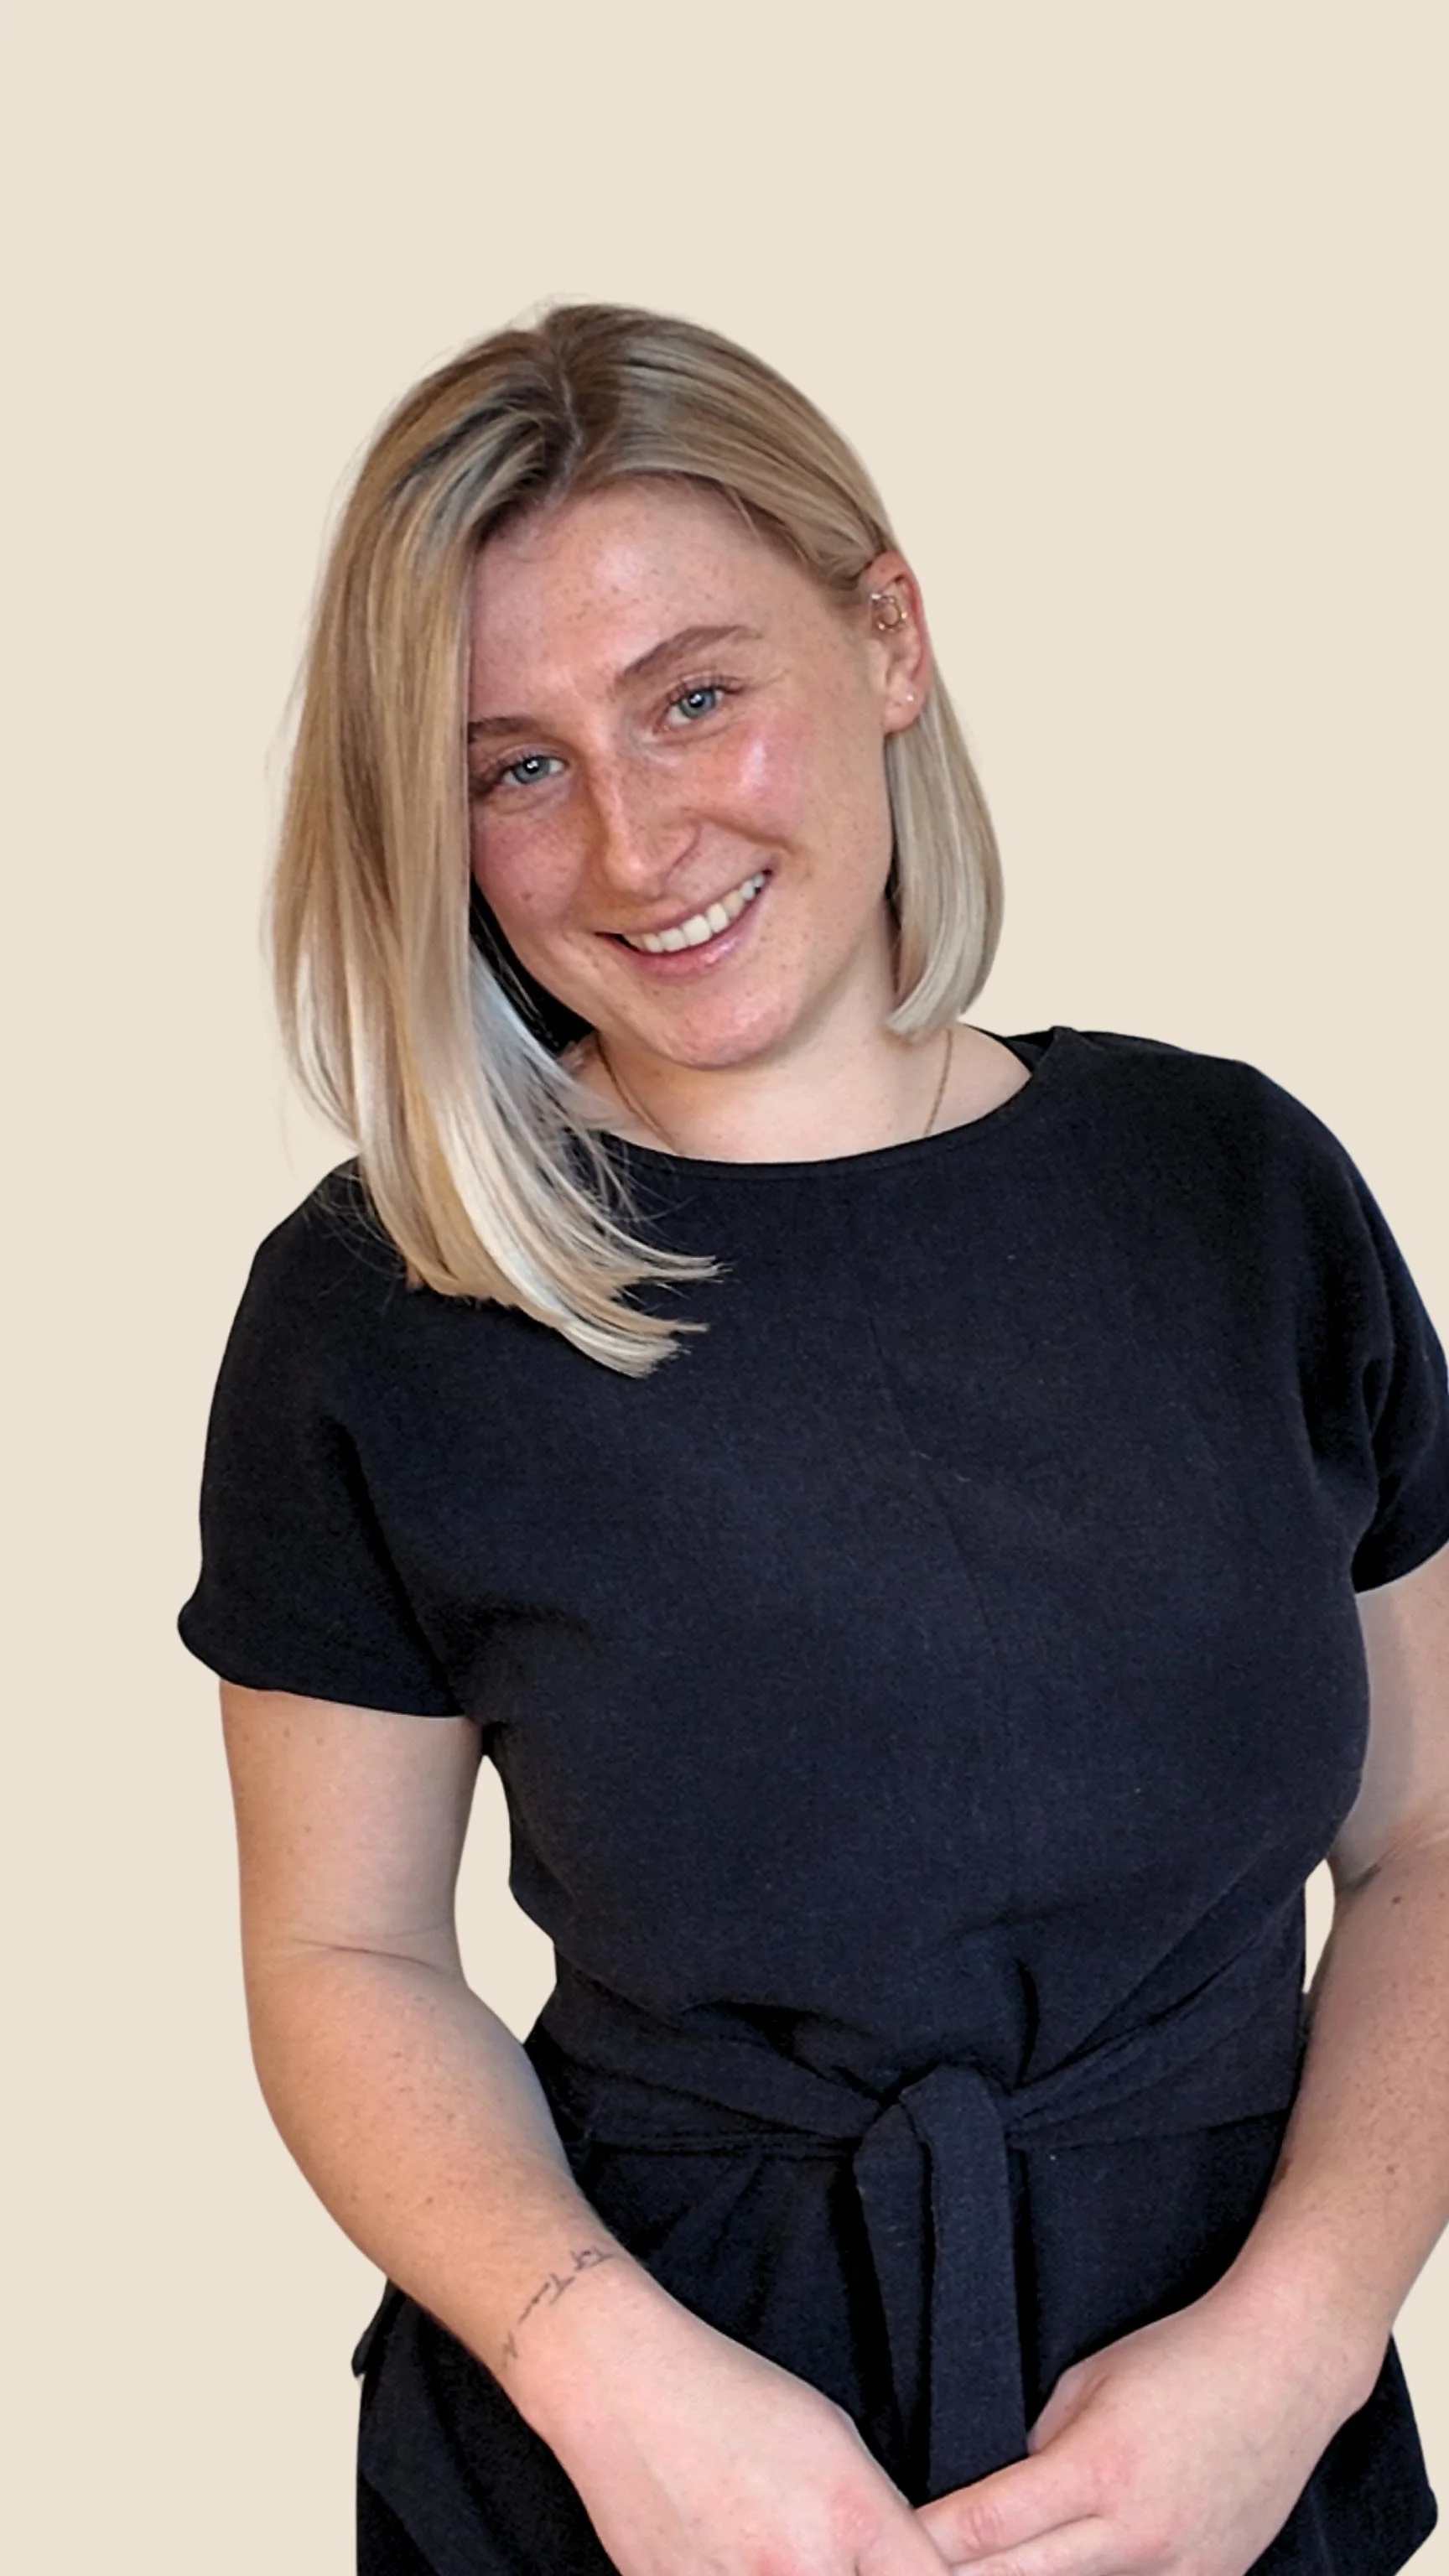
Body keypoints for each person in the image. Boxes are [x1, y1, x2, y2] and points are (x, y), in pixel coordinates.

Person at [177, 302, 1449, 2576]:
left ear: (888, 639)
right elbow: (343, 1957)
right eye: (514, 767)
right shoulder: (375, 1309)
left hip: (1235, 2474)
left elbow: (1433, 1843)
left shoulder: (1239, 1196)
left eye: (692, 696)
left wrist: (1300, 2342)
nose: (633, 838)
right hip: (629, 2488)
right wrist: (614, 2389)